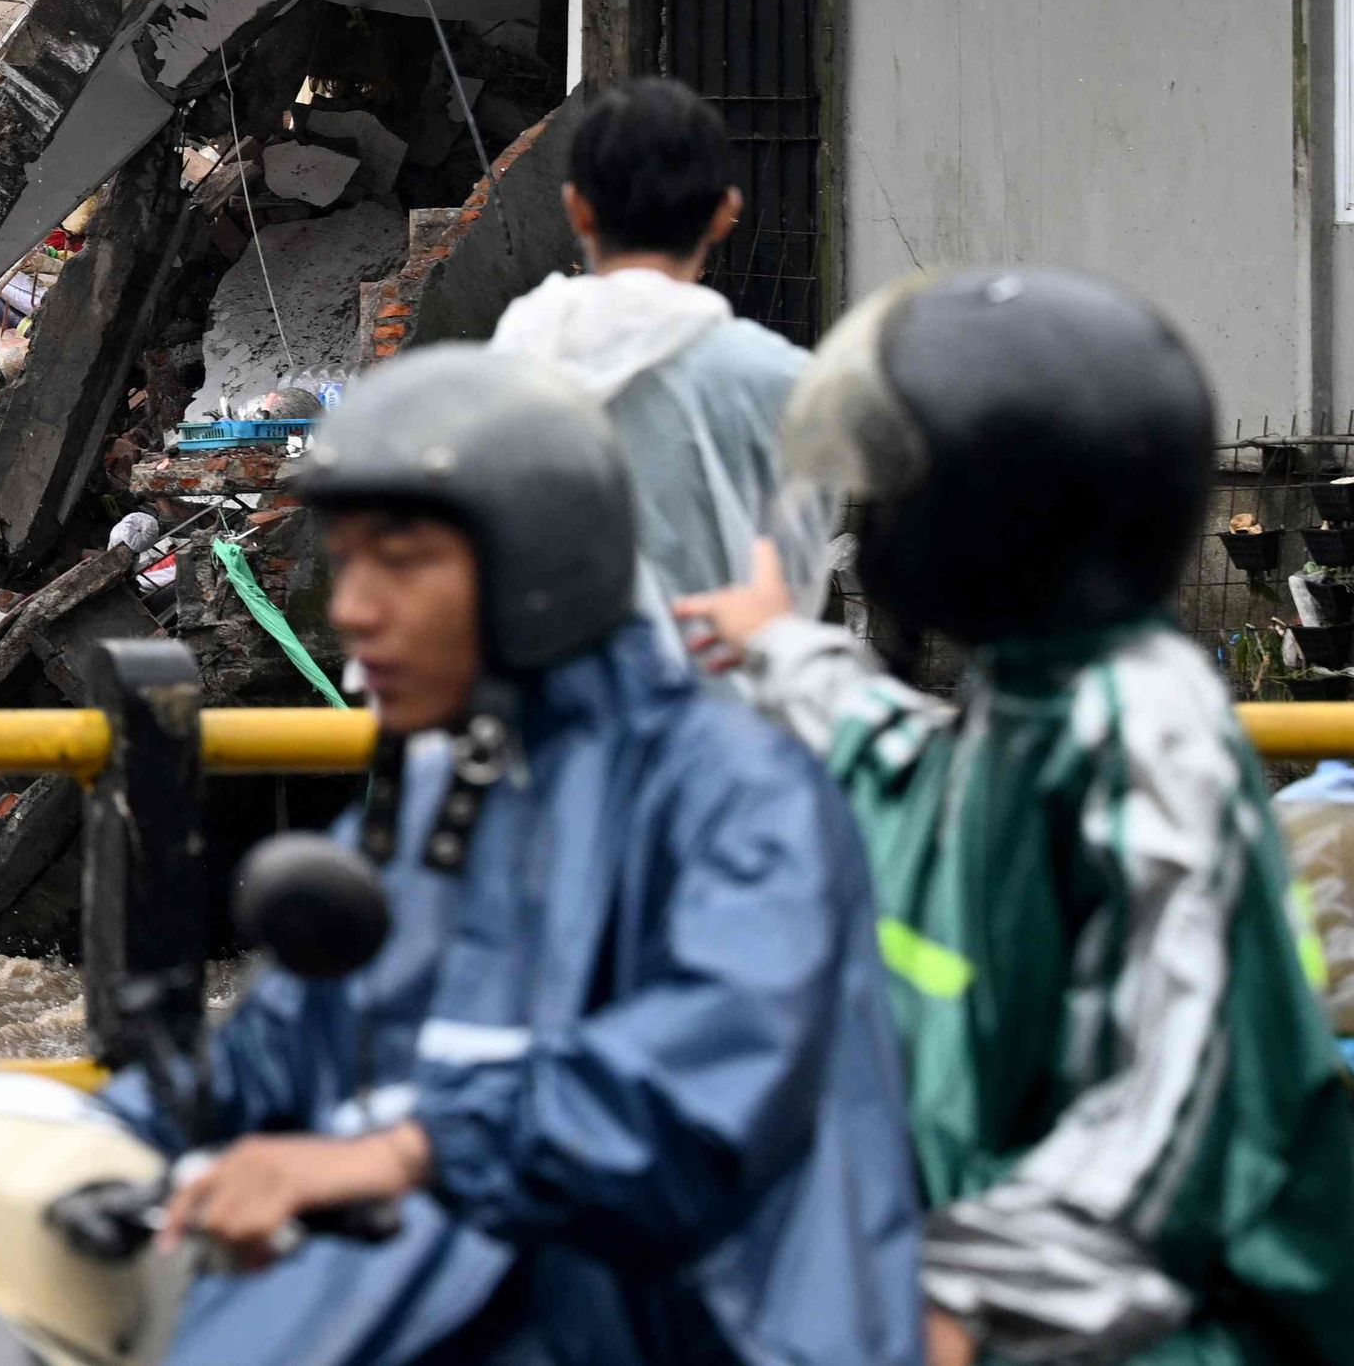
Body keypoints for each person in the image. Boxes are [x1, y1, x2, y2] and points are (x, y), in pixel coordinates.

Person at [123, 346, 924, 1366]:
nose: (354, 608)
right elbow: (285, 1047)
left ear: (533, 569)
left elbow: (694, 1089)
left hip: (699, 1328)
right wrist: (71, 1134)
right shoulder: (430, 799)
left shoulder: (733, 795)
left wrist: (401, 1155)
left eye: (401, 561)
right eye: (348, 558)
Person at [675, 271, 1354, 1366]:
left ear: (986, 518)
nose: (874, 532)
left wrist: (945, 1302)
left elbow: (1163, 1123)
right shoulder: (1021, 706)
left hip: (1181, 1332)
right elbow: (898, 757)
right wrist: (774, 643)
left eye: (892, 500)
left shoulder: (1143, 725)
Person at [489, 76, 817, 608]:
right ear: (723, 213)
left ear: (576, 209)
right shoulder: (781, 381)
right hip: (716, 679)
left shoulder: (512, 359)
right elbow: (791, 589)